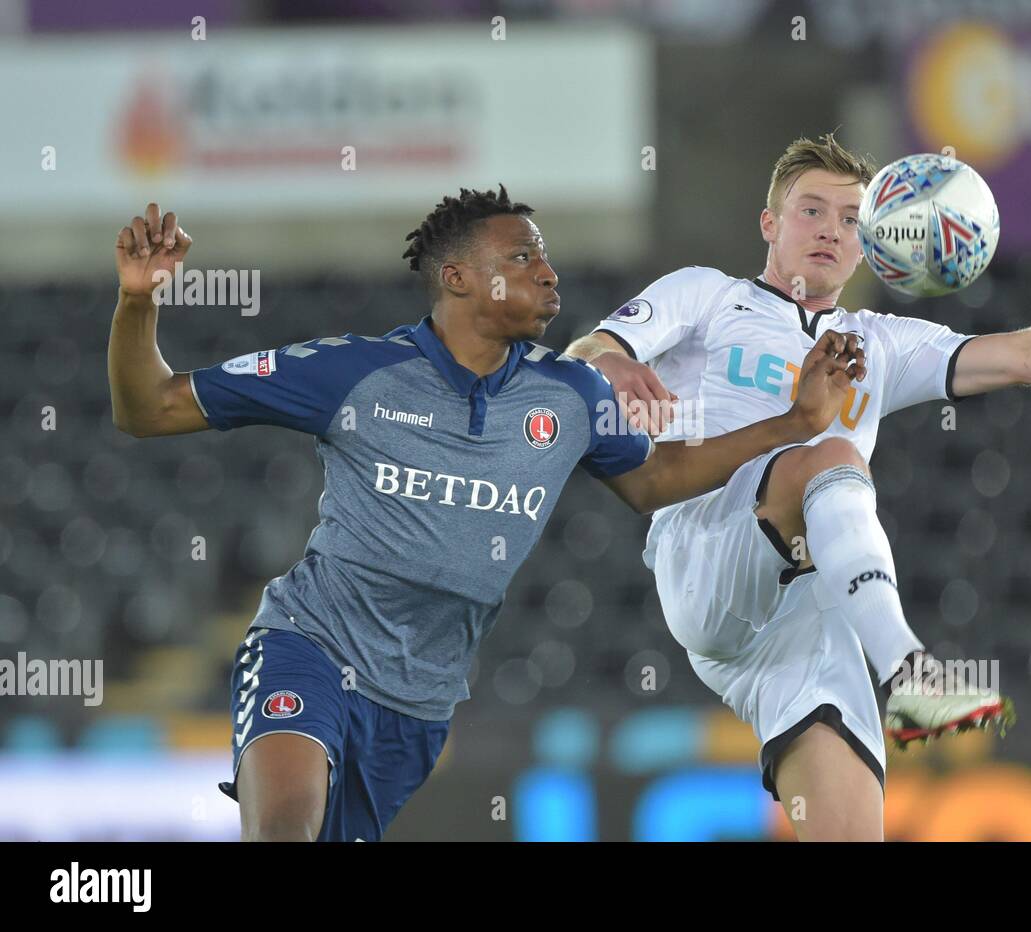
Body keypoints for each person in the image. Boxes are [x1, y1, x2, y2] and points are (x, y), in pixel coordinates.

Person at [107, 186, 865, 841]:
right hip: (309, 646)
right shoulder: (358, 373)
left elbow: (655, 479)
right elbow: (149, 409)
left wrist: (797, 425)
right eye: (523, 259)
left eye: (545, 257)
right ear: (460, 277)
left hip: (419, 703)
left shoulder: (571, 394)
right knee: (281, 830)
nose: (548, 272)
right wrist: (138, 302)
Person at [566, 133, 1031, 840]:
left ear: (871, 240)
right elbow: (587, 351)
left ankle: (899, 672)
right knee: (832, 450)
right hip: (708, 554)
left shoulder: (879, 342)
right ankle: (909, 670)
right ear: (769, 225)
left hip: (811, 618)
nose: (830, 231)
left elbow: (1028, 359)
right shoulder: (708, 296)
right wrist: (611, 361)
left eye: (850, 219)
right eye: (811, 211)